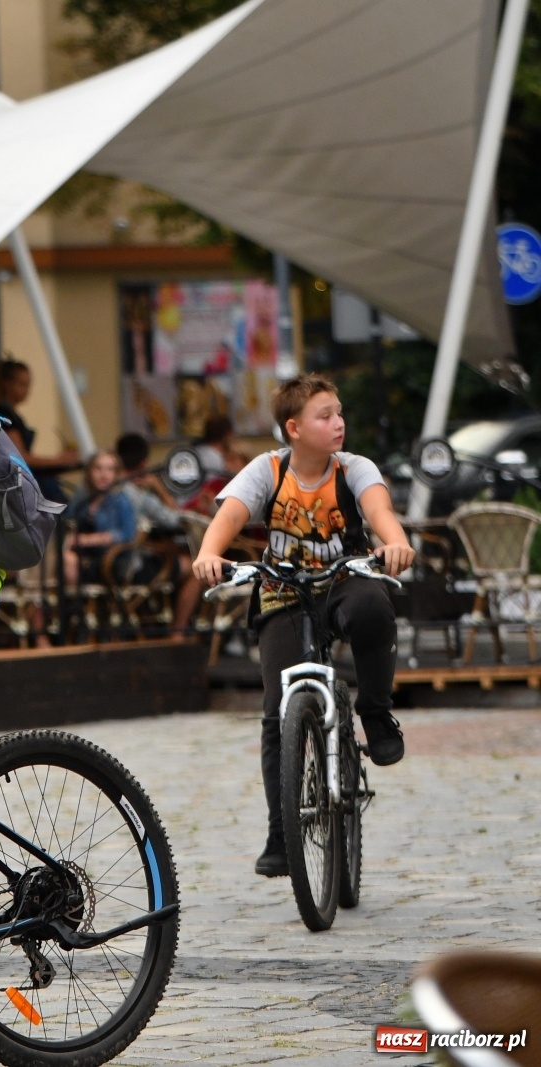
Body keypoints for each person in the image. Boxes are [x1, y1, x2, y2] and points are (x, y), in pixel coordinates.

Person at [191, 373, 413, 878]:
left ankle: (376, 714)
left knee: (373, 608)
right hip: (283, 587)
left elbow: (380, 512)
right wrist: (209, 554)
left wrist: (394, 543)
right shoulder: (266, 470)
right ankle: (280, 831)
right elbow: (228, 517)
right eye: (325, 416)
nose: (338, 423)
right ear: (293, 428)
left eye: (339, 413)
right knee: (275, 712)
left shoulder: (353, 469)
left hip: (343, 578)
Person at [115, 433, 202, 637]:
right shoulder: (139, 495)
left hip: (106, 561)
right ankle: (178, 632)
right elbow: (175, 519)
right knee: (195, 570)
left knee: (170, 553)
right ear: (144, 462)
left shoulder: (104, 488)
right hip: (132, 565)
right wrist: (159, 488)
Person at [0, 358, 79, 505]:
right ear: (7, 384)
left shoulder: (11, 415)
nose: (27, 390)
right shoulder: (4, 416)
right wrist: (59, 460)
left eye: (28, 385)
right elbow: (21, 458)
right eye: (22, 385)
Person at [63, 451, 137, 586]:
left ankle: (73, 604)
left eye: (110, 469)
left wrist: (87, 540)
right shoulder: (82, 500)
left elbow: (127, 534)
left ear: (116, 474)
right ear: (89, 472)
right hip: (82, 556)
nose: (104, 475)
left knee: (68, 559)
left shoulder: (121, 501)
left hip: (111, 559)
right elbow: (68, 524)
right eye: (98, 468)